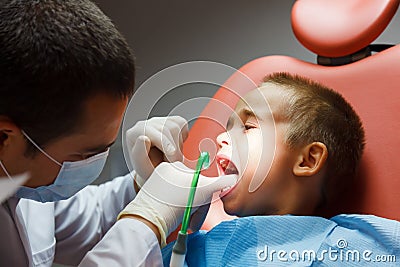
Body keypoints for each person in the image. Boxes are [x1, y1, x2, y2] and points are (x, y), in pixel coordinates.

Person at [0, 0, 236, 266]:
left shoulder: (26, 185)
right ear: (5, 137)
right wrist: (148, 219)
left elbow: (86, 218)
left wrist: (140, 185)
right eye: (85, 154)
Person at [160, 73, 400, 265]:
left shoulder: (348, 247)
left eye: (247, 126)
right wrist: (149, 218)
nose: (221, 137)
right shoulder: (195, 251)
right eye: (227, 127)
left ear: (307, 160)